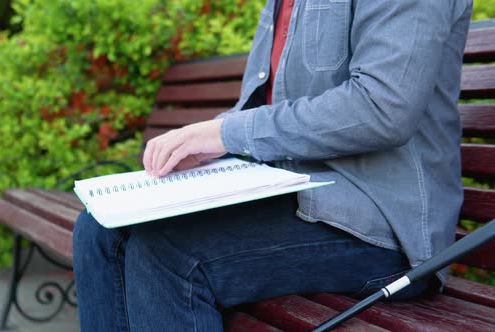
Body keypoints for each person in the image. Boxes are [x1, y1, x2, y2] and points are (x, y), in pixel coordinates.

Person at [72, 0, 473, 331]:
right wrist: (212, 141)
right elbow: (264, 106)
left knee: (168, 254)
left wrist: (225, 134)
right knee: (100, 228)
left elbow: (381, 108)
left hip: (385, 227)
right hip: (292, 191)